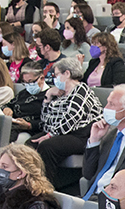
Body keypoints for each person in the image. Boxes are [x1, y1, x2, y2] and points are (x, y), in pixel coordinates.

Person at [35, 57, 107, 189]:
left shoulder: (81, 90)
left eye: (57, 74)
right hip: (63, 132)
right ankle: (31, 184)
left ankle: (45, 188)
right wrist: (48, 97)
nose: (55, 78)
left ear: (67, 73)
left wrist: (50, 135)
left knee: (47, 146)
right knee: (30, 144)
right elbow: (45, 121)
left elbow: (71, 119)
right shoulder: (59, 93)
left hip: (82, 134)